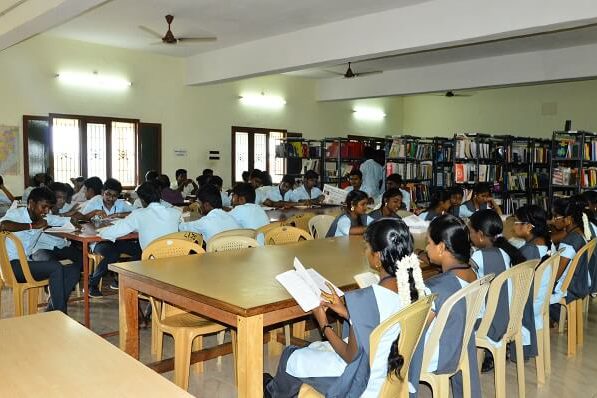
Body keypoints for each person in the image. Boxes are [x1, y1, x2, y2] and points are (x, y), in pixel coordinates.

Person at [264, 218, 427, 397]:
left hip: (362, 383)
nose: (366, 252)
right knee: (311, 351)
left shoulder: (366, 299)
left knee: (291, 355)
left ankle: (273, 392)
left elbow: (350, 356)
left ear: (378, 256)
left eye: (367, 248)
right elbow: (381, 322)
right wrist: (347, 312)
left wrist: (324, 324)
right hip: (392, 373)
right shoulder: (417, 290)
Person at [409, 214, 481, 398]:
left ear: (441, 247)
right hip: (460, 341)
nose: (426, 248)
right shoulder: (473, 272)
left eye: (429, 243)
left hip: (439, 353)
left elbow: (415, 330)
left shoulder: (435, 288)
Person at [0, 187, 81, 313]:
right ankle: (61, 314)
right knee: (55, 267)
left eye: (49, 208)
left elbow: (63, 220)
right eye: (44, 207)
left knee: (74, 270)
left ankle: (52, 308)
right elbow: (3, 225)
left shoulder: (44, 218)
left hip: (27, 264)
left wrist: (74, 221)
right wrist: (32, 226)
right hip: (12, 266)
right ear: (31, 204)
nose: (46, 211)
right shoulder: (17, 214)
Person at [468, 209, 528, 371]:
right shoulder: (504, 252)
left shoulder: (477, 257)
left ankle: (474, 361)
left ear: (480, 235)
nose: (469, 236)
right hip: (508, 317)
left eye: (470, 232)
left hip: (490, 322)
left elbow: (468, 285)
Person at [513, 204, 552, 358]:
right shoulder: (545, 243)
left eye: (516, 222)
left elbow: (516, 285)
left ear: (529, 227)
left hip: (529, 305)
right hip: (541, 300)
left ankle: (491, 354)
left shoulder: (528, 251)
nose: (514, 226)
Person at [99, 182, 181, 251]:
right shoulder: (175, 213)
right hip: (174, 257)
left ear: (142, 200)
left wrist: (101, 232)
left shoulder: (139, 214)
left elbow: (115, 231)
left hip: (150, 259)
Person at [549, 197, 593, 323]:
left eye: (556, 217)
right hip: (577, 285)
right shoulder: (579, 234)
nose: (553, 221)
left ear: (568, 220)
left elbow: (555, 275)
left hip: (567, 290)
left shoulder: (569, 242)